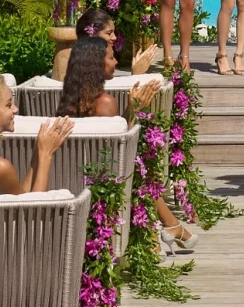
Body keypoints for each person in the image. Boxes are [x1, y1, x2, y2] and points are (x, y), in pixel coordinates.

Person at [59, 34, 197, 251]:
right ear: (96, 64)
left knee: (138, 167)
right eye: (112, 58)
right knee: (139, 166)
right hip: (103, 188)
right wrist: (133, 111)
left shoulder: (69, 100)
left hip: (74, 181)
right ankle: (162, 230)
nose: (115, 62)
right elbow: (116, 158)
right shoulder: (104, 103)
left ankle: (168, 227)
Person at [69, 7, 160, 76]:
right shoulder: (89, 68)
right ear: (91, 35)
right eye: (109, 33)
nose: (115, 37)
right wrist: (136, 75)